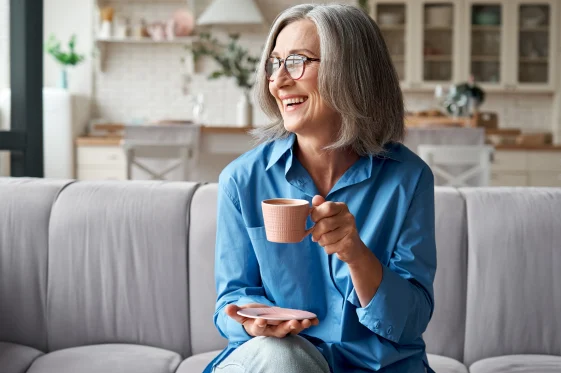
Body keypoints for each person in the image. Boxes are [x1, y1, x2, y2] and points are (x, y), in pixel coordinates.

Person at [204, 3, 436, 373]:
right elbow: (231, 300)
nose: (279, 81)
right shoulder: (243, 180)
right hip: (278, 360)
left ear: (352, 72)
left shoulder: (408, 180)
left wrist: (356, 254)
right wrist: (250, 322)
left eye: (297, 61)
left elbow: (410, 322)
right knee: (283, 359)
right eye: (274, 64)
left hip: (379, 366)